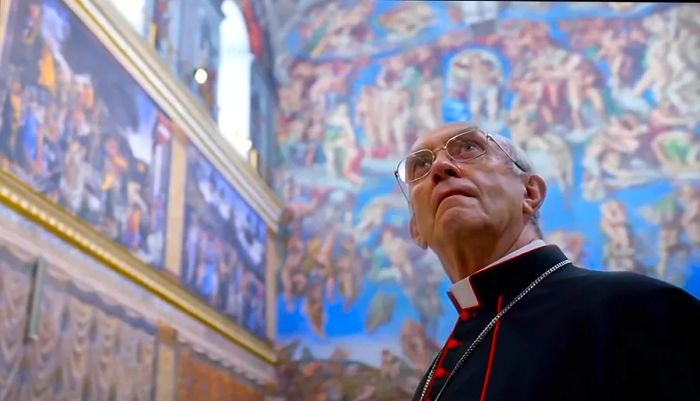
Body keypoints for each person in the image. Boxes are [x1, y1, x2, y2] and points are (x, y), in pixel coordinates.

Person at [393, 122, 700, 401]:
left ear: (530, 193)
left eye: (469, 148)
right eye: (421, 164)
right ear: (417, 231)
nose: (441, 167)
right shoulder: (436, 379)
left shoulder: (637, 308)